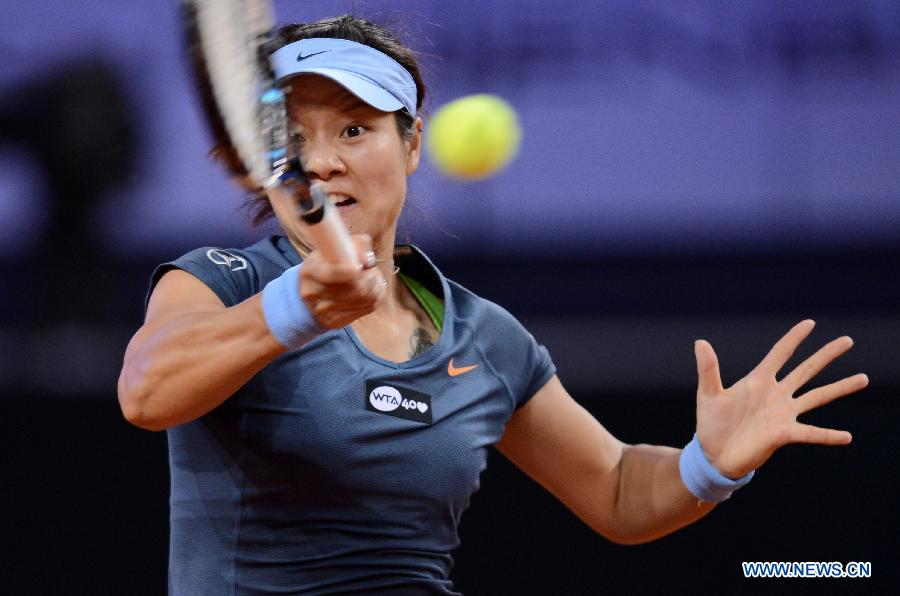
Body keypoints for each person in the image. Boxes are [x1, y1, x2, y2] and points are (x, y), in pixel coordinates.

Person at [117, 15, 869, 595]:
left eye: (356, 128)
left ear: (412, 145)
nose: (324, 160)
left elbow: (613, 488)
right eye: (299, 137)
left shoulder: (486, 337)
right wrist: (296, 308)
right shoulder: (223, 282)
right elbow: (147, 391)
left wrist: (708, 466)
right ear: (267, 162)